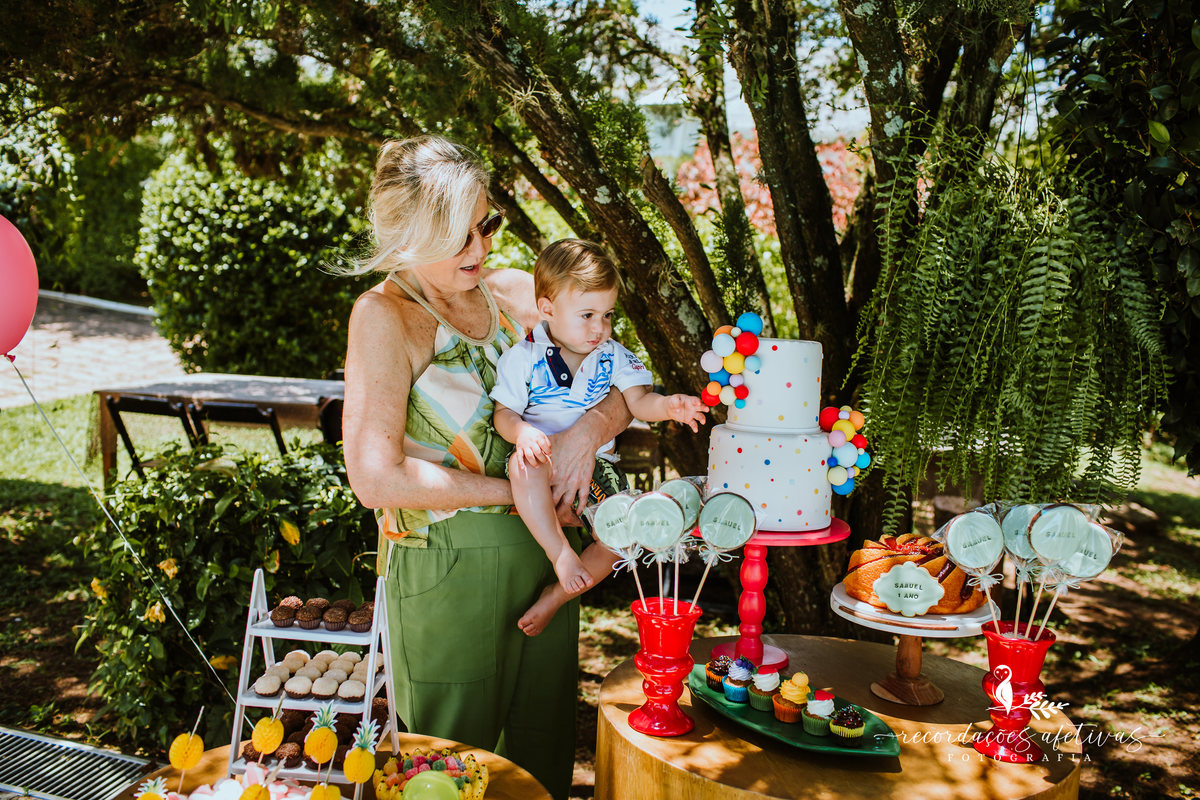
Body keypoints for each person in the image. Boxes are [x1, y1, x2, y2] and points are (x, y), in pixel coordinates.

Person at [340, 136, 632, 800]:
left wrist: (589, 431)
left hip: (546, 562)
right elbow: (374, 476)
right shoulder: (382, 317)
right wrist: (517, 491)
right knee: (446, 769)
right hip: (446, 573)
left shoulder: (518, 295)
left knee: (540, 760)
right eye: (457, 236)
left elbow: (623, 387)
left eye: (487, 223)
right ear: (408, 235)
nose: (480, 248)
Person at [490, 239, 706, 636]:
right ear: (547, 309)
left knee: (622, 538)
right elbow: (503, 414)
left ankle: (556, 596)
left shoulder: (613, 355)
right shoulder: (523, 358)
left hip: (600, 468)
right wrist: (522, 433)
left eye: (606, 315)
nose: (599, 328)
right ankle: (561, 554)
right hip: (541, 458)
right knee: (523, 466)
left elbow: (639, 401)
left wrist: (669, 406)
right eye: (587, 315)